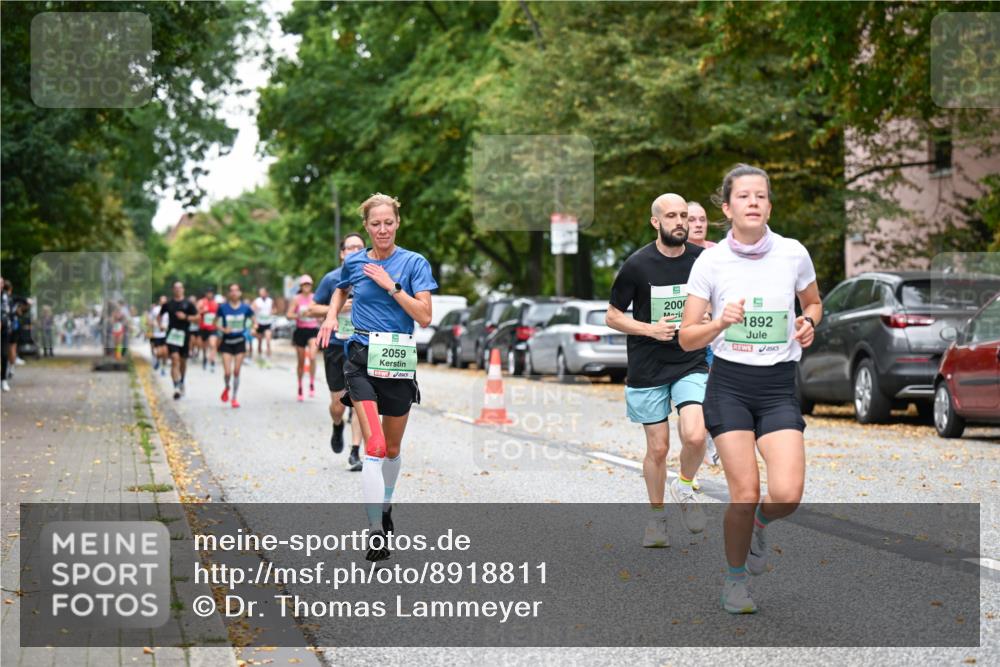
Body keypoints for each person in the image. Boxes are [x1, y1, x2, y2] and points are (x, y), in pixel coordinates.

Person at [679, 164, 822, 614]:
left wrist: (808, 323)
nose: (754, 202)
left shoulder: (793, 253)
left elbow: (814, 301)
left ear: (769, 205)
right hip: (730, 386)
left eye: (761, 195)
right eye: (744, 196)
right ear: (728, 207)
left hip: (778, 384)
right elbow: (686, 336)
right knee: (743, 491)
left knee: (787, 494)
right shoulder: (711, 261)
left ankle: (761, 523)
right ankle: (735, 581)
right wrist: (719, 322)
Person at [317, 193, 437, 562]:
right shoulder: (354, 262)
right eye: (375, 224)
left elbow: (425, 316)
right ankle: (375, 531)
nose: (382, 229)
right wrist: (330, 316)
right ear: (366, 227)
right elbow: (339, 289)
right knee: (376, 448)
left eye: (388, 222)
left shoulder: (414, 263)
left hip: (399, 360)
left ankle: (385, 506)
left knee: (394, 449)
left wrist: (391, 286)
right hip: (361, 358)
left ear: (397, 223)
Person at [606, 193, 709, 549]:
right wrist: (650, 329)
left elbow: (720, 298)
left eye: (684, 215)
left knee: (695, 435)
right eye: (671, 216)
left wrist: (709, 318)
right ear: (656, 222)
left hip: (689, 359)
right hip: (648, 364)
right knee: (659, 448)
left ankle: (684, 485)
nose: (680, 222)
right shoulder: (637, 265)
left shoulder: (702, 260)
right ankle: (656, 518)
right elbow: (612, 315)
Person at [310, 232, 367, 469]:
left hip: (363, 345)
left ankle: (355, 452)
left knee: (361, 399)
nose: (355, 252)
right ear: (342, 253)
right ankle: (337, 424)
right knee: (338, 404)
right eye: (350, 248)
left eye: (360, 248)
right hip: (335, 345)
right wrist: (338, 308)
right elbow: (312, 308)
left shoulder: (371, 277)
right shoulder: (331, 279)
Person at [688, 201, 720, 468]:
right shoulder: (676, 254)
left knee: (714, 391)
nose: (698, 224)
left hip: (714, 335)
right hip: (687, 337)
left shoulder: (718, 253)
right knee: (694, 401)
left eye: (702, 219)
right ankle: (694, 454)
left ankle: (708, 437)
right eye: (692, 219)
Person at [217, 283, 256, 408]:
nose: (234, 293)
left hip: (240, 342)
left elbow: (254, 320)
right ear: (229, 293)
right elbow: (215, 323)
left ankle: (234, 397)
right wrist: (223, 329)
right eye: (232, 291)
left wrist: (253, 328)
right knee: (227, 372)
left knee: (236, 371)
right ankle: (227, 386)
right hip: (226, 343)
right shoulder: (223, 308)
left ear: (240, 293)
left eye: (236, 290)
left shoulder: (246, 308)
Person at [163, 282, 199, 400]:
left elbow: (198, 317)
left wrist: (186, 317)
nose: (178, 290)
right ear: (173, 290)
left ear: (183, 290)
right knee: (174, 359)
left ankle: (182, 380)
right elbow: (159, 316)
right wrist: (160, 325)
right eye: (176, 288)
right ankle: (176, 387)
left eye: (180, 288)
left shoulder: (188, 304)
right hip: (172, 335)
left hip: (185, 335)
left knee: (183, 361)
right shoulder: (168, 304)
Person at [287, 275, 319, 401]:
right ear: (301, 286)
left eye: (309, 284)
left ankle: (311, 382)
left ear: (311, 286)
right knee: (300, 362)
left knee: (312, 356)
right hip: (300, 331)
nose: (307, 286)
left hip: (312, 330)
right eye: (304, 284)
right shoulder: (296, 299)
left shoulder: (316, 297)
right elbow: (288, 315)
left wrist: (317, 315)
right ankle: (300, 386)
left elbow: (321, 313)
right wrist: (298, 315)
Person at [197, 288, 219, 372]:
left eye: (211, 293)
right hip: (203, 328)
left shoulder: (215, 303)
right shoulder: (201, 302)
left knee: (213, 344)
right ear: (206, 294)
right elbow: (196, 312)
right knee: (204, 347)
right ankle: (204, 358)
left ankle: (212, 361)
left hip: (212, 328)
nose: (210, 294)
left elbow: (218, 315)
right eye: (208, 293)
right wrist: (202, 311)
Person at [252, 287, 275, 362]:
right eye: (260, 292)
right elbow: (251, 309)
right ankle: (259, 356)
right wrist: (255, 309)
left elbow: (275, 309)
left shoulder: (270, 301)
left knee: (268, 340)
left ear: (266, 293)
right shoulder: (257, 301)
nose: (261, 293)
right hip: (259, 323)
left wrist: (273, 311)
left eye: (263, 292)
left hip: (267, 323)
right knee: (259, 341)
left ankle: (268, 357)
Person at [148, 296, 169, 375]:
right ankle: (157, 360)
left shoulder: (169, 310)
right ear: (159, 301)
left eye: (164, 301)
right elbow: (150, 321)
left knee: (165, 352)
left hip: (166, 334)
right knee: (159, 352)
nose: (163, 303)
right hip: (157, 334)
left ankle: (163, 367)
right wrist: (154, 325)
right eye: (161, 301)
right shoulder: (155, 310)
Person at [1, 277, 11, 392]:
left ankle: (3, 380)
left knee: (4, 355)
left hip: (4, 330)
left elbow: (5, 311)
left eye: (2, 283)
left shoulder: (5, 297)